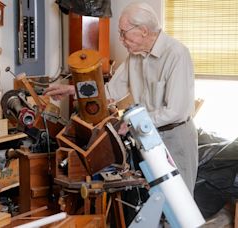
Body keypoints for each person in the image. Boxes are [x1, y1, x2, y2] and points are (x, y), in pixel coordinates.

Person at [44, 2, 198, 195]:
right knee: (153, 199)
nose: (121, 39)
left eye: (123, 32)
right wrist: (72, 90)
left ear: (143, 30)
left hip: (175, 136)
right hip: (147, 136)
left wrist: (132, 122)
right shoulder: (135, 56)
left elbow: (175, 112)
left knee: (179, 202)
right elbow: (109, 91)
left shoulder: (176, 54)